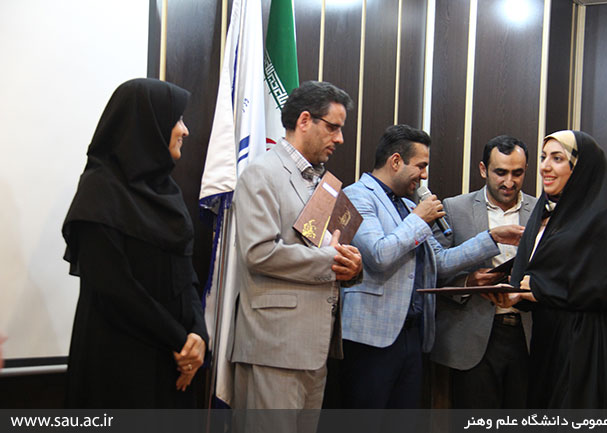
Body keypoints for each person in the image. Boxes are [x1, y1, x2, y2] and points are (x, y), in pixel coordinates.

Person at [339, 125, 524, 409]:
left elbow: (440, 262)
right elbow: (378, 255)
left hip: (413, 336)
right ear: (396, 161)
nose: (424, 175)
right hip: (371, 338)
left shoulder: (406, 204)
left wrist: (492, 237)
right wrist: (419, 219)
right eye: (421, 165)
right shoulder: (356, 195)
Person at [62, 78, 208, 408]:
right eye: (176, 119)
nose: (184, 130)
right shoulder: (99, 192)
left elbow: (186, 275)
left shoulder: (167, 192)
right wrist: (180, 340)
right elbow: (115, 288)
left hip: (175, 362)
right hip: (120, 365)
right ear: (147, 124)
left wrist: (198, 335)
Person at [228, 81, 362, 419]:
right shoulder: (262, 174)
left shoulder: (323, 182)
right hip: (274, 346)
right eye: (333, 127)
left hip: (315, 348)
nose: (340, 138)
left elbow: (328, 249)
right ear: (304, 120)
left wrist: (350, 267)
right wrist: (332, 261)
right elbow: (259, 253)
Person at [507, 130, 607, 408]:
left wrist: (543, 289)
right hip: (550, 343)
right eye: (544, 157)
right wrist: (514, 293)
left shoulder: (605, 220)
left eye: (558, 158)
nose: (545, 167)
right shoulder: (547, 214)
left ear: (581, 168)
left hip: (590, 347)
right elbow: (536, 275)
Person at [431, 135, 535, 408]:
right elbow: (435, 271)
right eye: (500, 172)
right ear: (482, 169)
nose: (509, 182)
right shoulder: (455, 209)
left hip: (528, 336)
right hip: (472, 338)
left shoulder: (541, 212)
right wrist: (468, 282)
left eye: (517, 173)